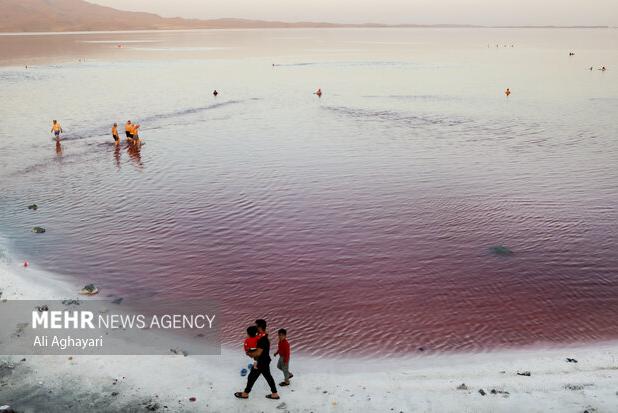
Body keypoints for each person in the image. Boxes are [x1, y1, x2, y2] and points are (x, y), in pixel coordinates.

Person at [235, 319, 279, 400]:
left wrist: (248, 353)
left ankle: (245, 394)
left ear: (259, 327)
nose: (255, 327)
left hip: (261, 362)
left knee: (251, 378)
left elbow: (258, 353)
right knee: (268, 377)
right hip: (265, 360)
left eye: (256, 326)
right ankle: (274, 394)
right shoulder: (264, 336)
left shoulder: (262, 339)